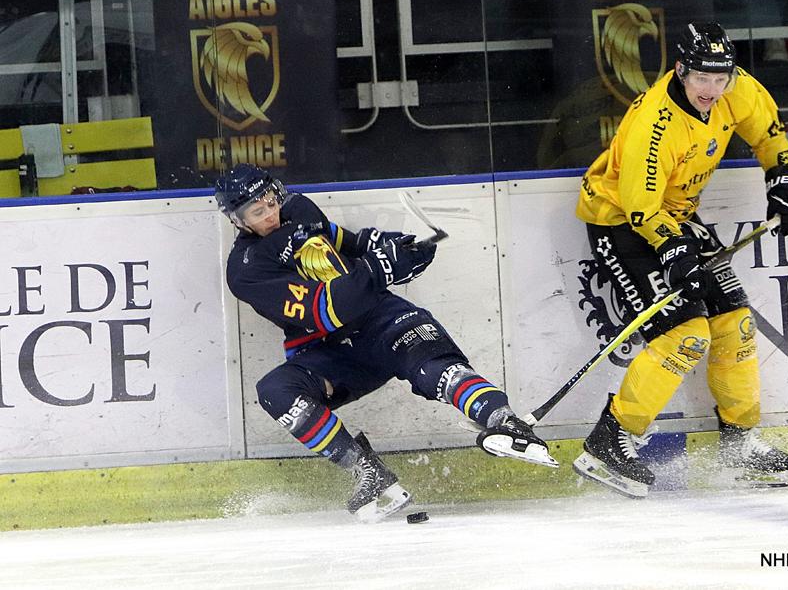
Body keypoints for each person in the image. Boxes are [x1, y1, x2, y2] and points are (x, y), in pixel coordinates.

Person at [215, 164, 557, 521]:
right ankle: (367, 471)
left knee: (434, 369)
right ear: (238, 220)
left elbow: (347, 242)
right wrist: (380, 268)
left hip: (382, 318)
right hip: (330, 352)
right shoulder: (246, 270)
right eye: (258, 212)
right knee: (276, 390)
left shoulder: (300, 209)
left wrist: (394, 248)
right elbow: (324, 310)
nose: (271, 213)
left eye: (271, 202)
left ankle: (504, 420)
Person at [573, 22, 788, 498]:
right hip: (622, 220)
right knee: (685, 333)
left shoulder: (735, 87)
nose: (712, 88)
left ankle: (739, 445)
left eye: (720, 77)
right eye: (702, 77)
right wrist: (673, 248)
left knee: (735, 324)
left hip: (678, 215)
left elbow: (766, 130)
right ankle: (609, 440)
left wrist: (783, 175)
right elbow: (640, 206)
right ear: (681, 70)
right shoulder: (654, 123)